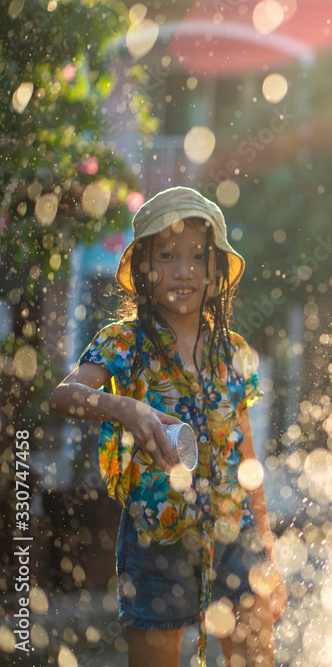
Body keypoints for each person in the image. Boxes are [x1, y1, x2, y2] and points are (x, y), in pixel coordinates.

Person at [49, 187, 287, 667]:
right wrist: (126, 409)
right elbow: (64, 397)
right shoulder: (125, 343)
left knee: (256, 658)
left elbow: (248, 457)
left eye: (199, 257)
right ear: (142, 269)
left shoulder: (232, 351)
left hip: (234, 533)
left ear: (216, 270)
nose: (184, 270)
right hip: (157, 537)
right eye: (167, 255)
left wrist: (267, 548)